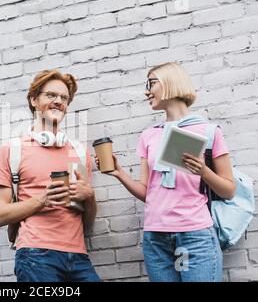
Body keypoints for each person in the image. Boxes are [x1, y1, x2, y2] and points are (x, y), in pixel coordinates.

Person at [96, 62, 235, 282]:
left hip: (195, 236)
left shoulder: (208, 131)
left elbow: (229, 191)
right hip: (156, 238)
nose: (146, 91)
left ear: (171, 83)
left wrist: (204, 171)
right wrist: (119, 172)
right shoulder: (149, 135)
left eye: (151, 83)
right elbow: (147, 192)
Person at [0, 69, 101, 282]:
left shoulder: (79, 152)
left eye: (64, 98)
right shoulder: (12, 150)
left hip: (78, 256)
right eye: (51, 95)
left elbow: (87, 221)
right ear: (34, 100)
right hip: (35, 256)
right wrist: (43, 200)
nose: (58, 101)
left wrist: (89, 196)